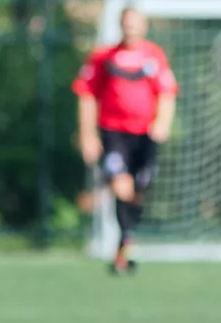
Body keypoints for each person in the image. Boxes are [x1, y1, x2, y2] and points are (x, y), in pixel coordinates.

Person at [74, 6, 178, 274]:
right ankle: (127, 243)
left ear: (143, 26)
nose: (131, 28)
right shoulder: (103, 58)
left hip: (145, 135)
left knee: (139, 188)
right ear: (121, 25)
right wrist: (87, 134)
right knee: (122, 186)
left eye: (136, 24)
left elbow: (167, 92)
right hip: (113, 132)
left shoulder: (154, 56)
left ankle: (124, 243)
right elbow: (86, 94)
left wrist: (162, 122)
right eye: (127, 23)